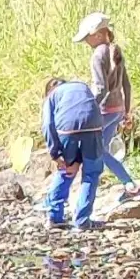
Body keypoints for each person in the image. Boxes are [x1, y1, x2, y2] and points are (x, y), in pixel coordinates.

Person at [75, 12, 140, 199]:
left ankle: (129, 184)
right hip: (118, 109)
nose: (86, 42)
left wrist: (89, 108)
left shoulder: (98, 55)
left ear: (96, 35)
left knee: (98, 150)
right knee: (101, 149)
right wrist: (126, 111)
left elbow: (100, 88)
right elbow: (126, 85)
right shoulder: (116, 50)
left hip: (104, 111)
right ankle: (128, 184)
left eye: (87, 38)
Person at [41, 77, 106, 230]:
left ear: (49, 90)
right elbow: (92, 108)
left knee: (66, 170)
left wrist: (56, 154)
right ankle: (82, 220)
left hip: (67, 128)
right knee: (91, 174)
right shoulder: (81, 86)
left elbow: (47, 125)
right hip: (93, 126)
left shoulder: (52, 96)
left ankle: (55, 216)